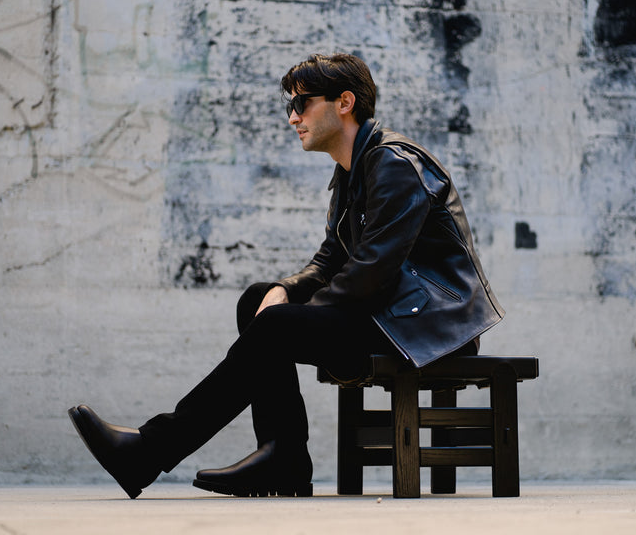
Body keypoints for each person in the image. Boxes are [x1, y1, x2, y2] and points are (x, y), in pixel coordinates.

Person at [67, 53, 505, 499]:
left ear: (344, 102)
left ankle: (151, 450)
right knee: (259, 300)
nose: (292, 117)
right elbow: (330, 260)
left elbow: (373, 269)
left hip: (429, 323)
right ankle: (282, 454)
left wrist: (292, 318)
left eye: (302, 104)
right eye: (289, 107)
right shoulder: (351, 170)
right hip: (390, 315)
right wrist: (285, 290)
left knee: (276, 324)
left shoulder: (392, 162)